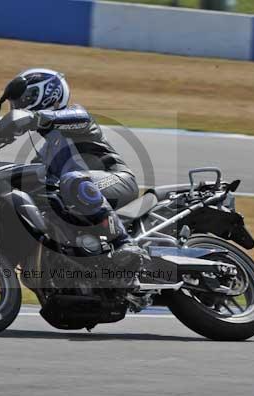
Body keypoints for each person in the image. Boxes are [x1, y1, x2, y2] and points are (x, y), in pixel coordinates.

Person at [8, 68, 150, 280]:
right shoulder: (45, 152)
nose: (19, 106)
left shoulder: (76, 118)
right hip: (80, 193)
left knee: (73, 180)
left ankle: (124, 244)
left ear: (49, 94)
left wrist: (36, 117)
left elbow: (78, 116)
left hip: (117, 179)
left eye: (26, 99)